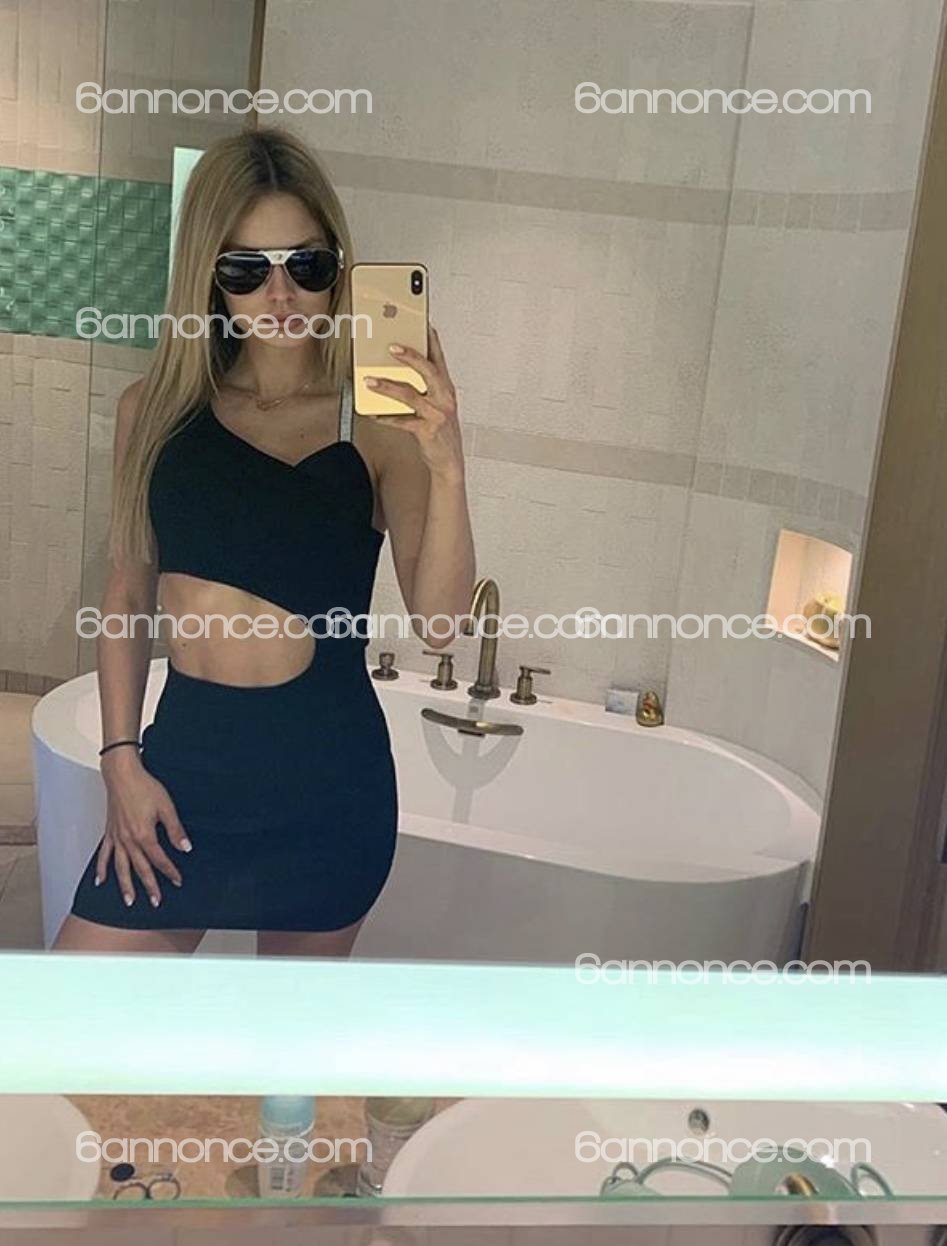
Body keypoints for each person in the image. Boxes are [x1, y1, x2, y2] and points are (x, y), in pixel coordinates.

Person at [53, 127, 475, 958]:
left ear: (338, 269)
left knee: (281, 1041)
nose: (280, 296)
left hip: (327, 789)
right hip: (183, 774)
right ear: (208, 276)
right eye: (246, 270)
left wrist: (449, 464)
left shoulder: (375, 425)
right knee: (71, 1013)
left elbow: (440, 622)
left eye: (306, 266)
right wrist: (119, 759)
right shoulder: (154, 412)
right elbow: (128, 596)